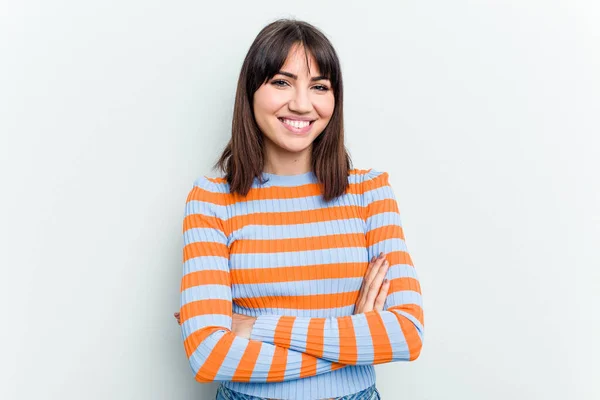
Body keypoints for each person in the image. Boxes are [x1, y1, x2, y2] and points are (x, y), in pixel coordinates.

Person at [174, 19, 424, 400]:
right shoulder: (211, 201)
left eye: (319, 87)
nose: (302, 104)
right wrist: (355, 337)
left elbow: (406, 334)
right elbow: (209, 357)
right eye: (281, 82)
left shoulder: (370, 193)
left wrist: (256, 327)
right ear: (251, 92)